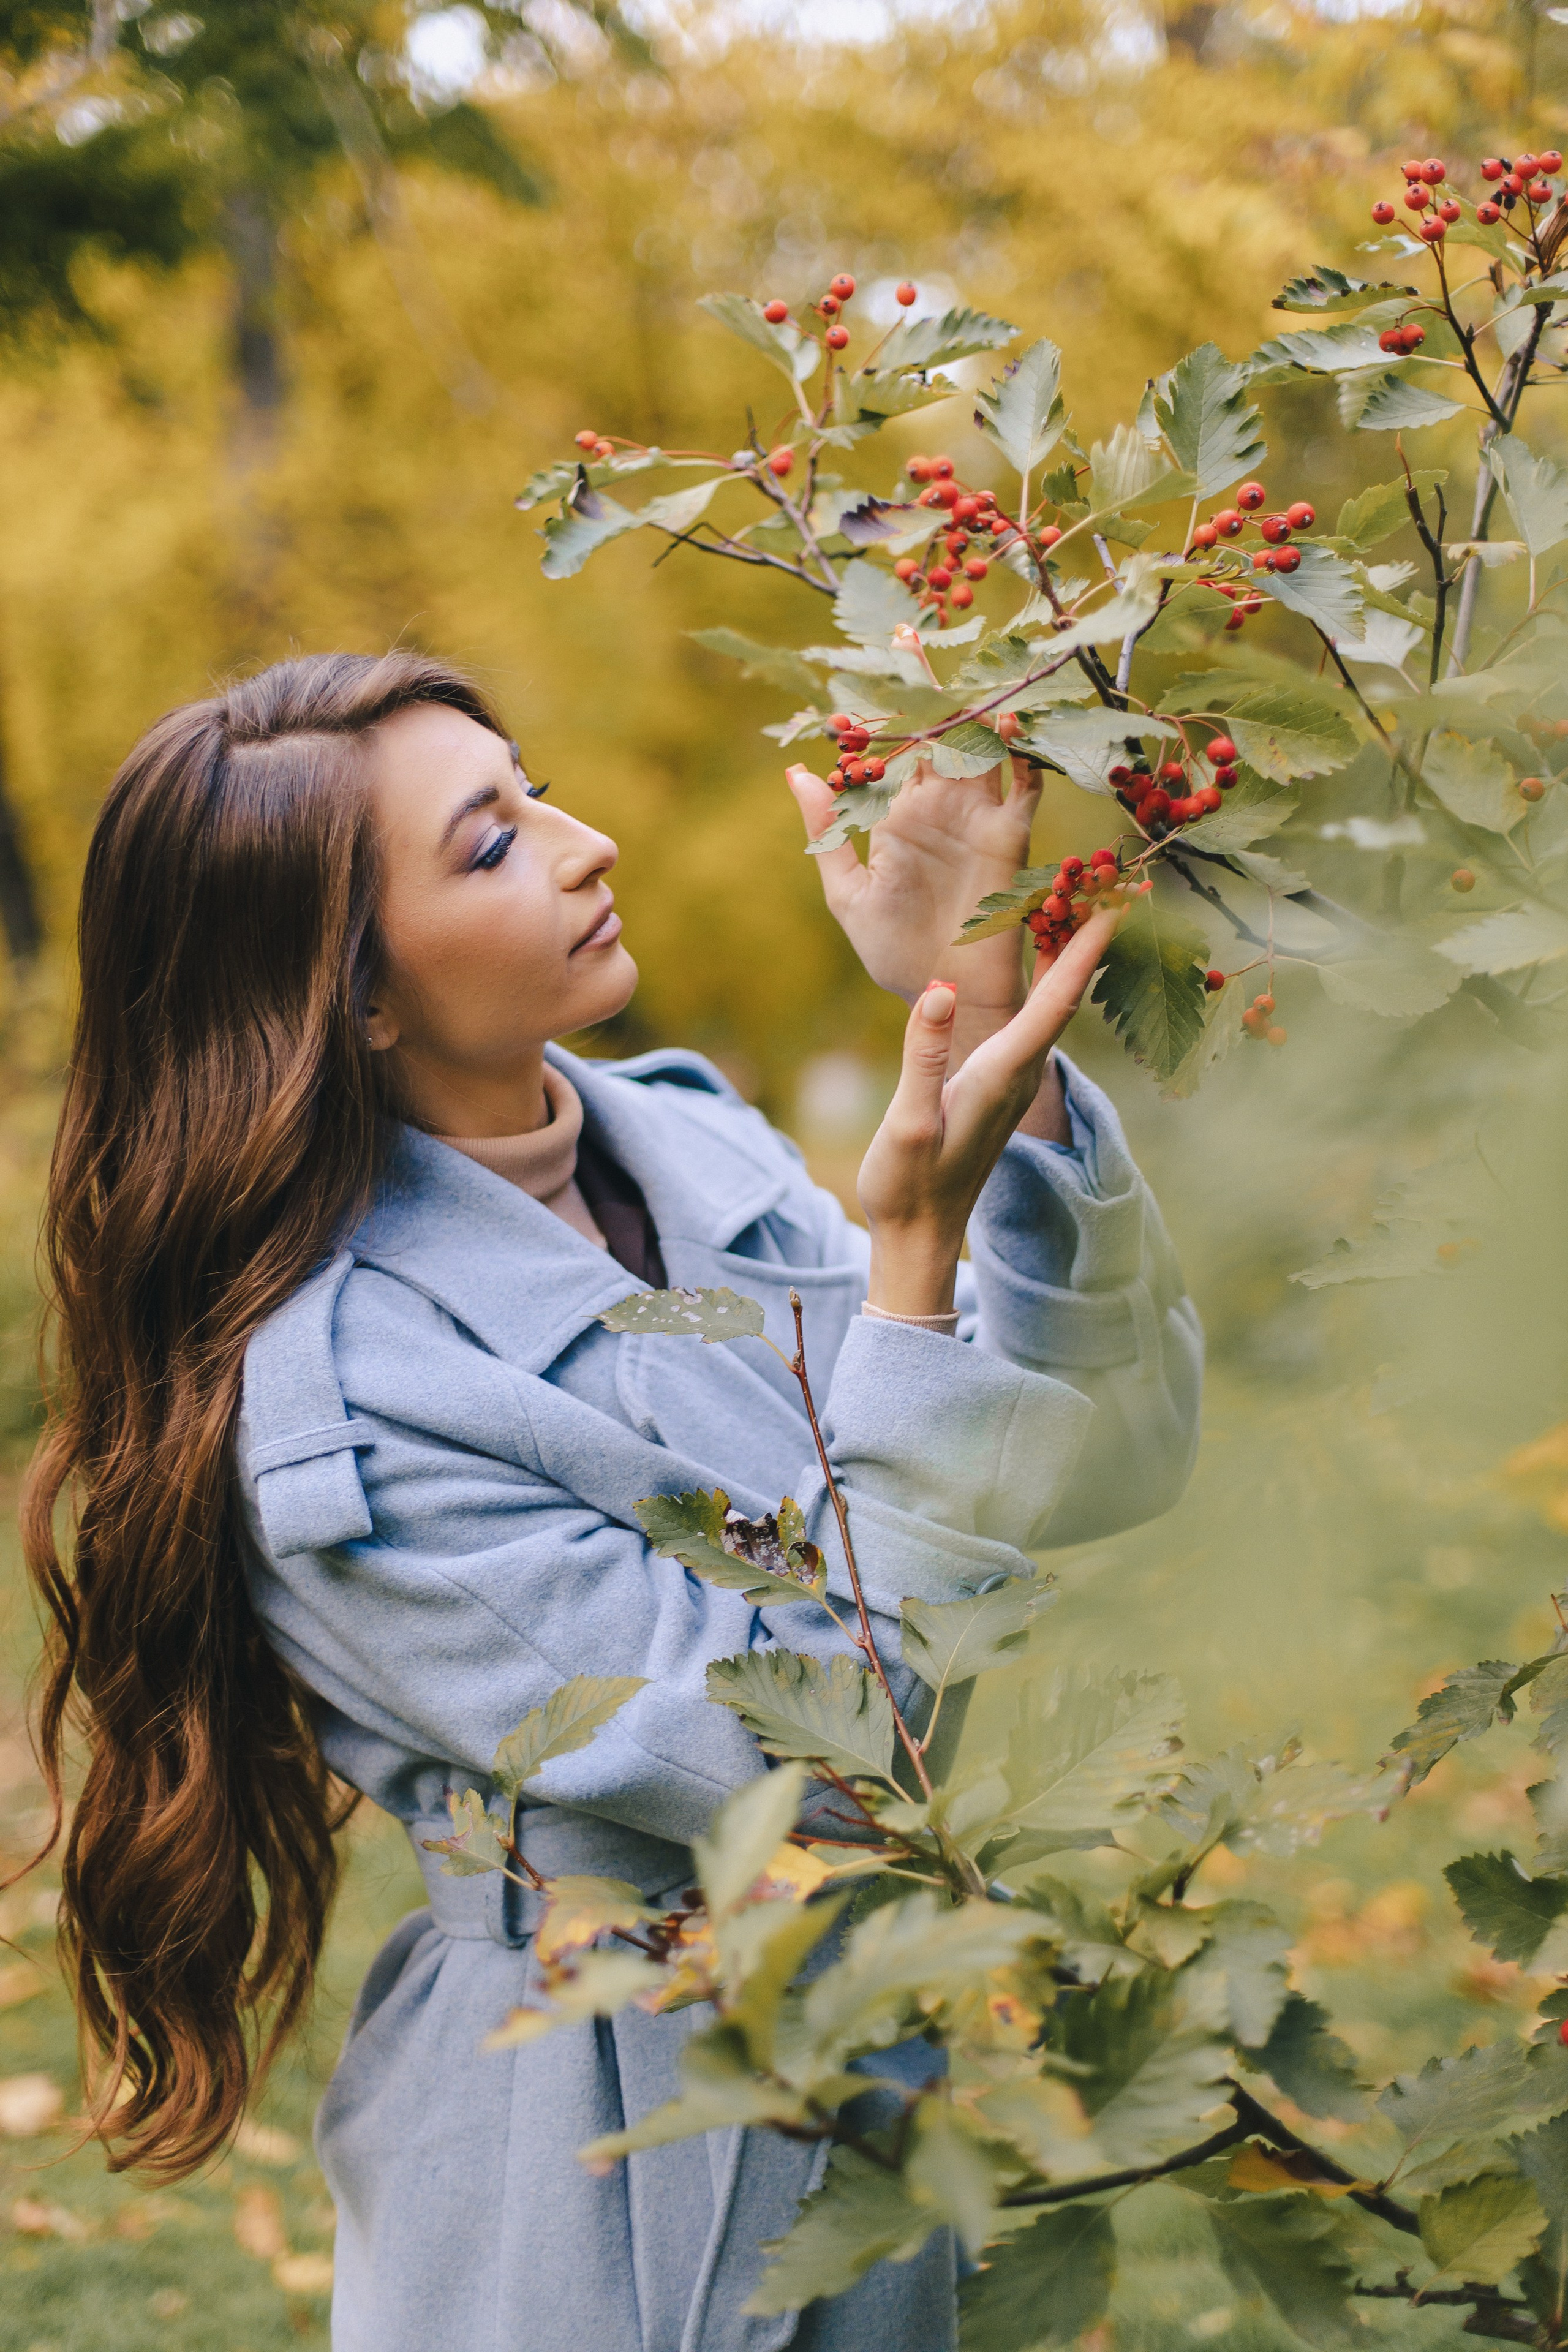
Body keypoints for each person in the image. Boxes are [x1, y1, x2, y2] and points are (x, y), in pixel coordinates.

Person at [22, 650, 1202, 2352]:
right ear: (349, 995)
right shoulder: (346, 1411)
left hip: (867, 2037)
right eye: (490, 846)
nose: (586, 846)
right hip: (598, 2144)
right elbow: (817, 1748)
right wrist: (907, 1281)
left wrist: (987, 1072)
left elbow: (1107, 1457)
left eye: (538, 789)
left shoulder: (685, 1147)